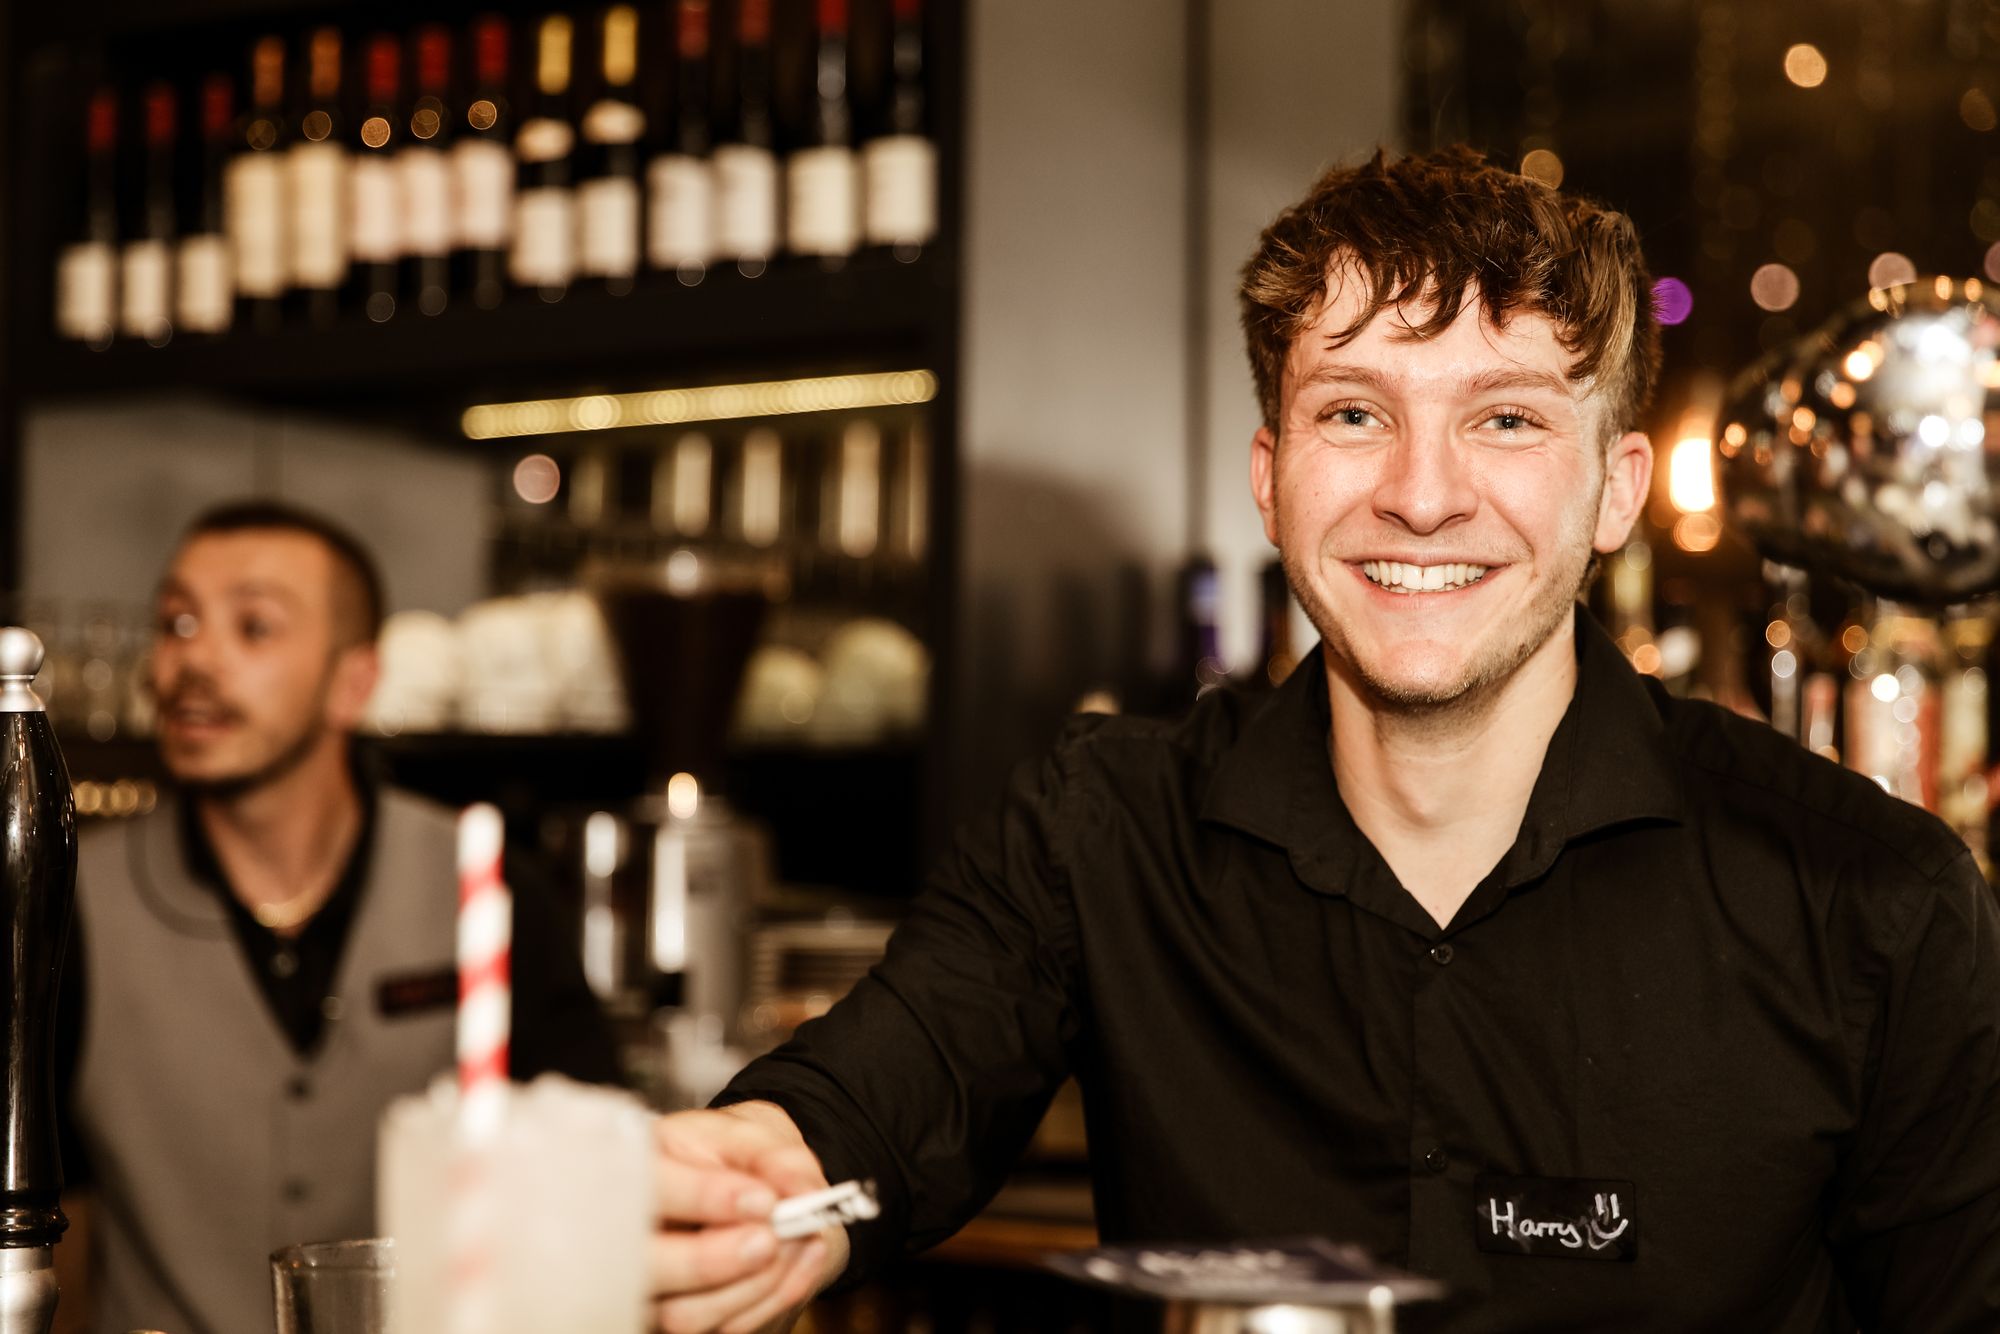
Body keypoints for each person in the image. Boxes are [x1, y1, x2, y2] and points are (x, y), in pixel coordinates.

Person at [641, 147, 2000, 1332]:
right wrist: (760, 1171)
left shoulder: (1874, 904)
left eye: (1507, 419)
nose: (1421, 494)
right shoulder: (1105, 830)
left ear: (1614, 491)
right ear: (1272, 478)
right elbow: (886, 1086)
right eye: (1355, 412)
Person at [56, 501, 620, 1334]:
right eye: (176, 621)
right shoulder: (69, 904)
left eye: (254, 626)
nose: (192, 660)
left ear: (355, 682)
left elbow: (588, 1181)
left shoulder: (485, 884)